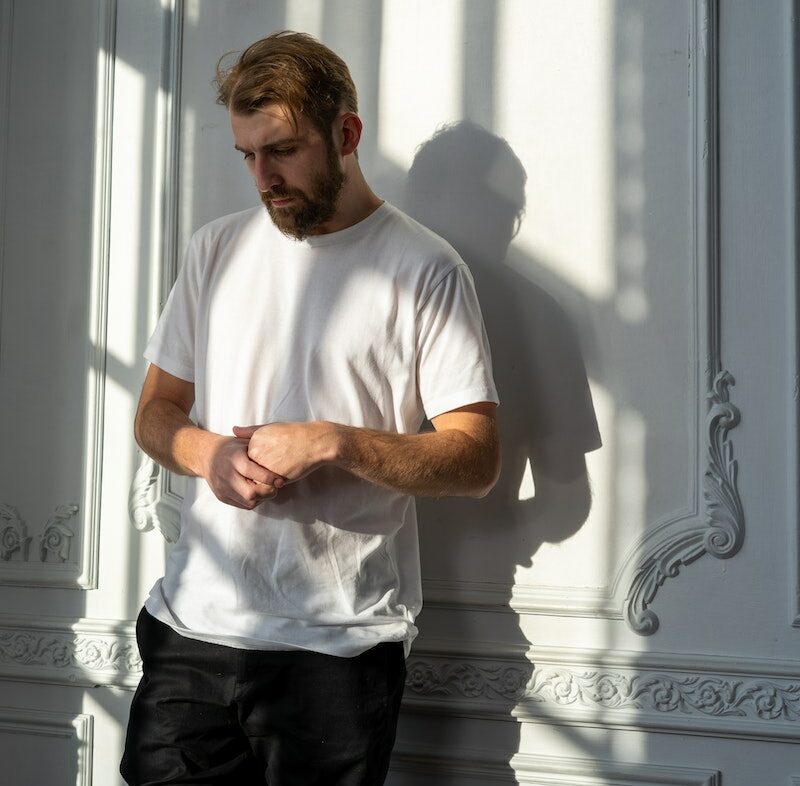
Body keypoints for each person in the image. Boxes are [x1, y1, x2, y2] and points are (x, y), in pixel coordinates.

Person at [121, 30, 500, 786]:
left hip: (338, 653)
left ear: (346, 133)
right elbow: (157, 410)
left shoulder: (426, 268)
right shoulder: (215, 251)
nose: (263, 177)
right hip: (189, 636)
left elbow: (477, 457)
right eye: (247, 155)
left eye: (284, 149)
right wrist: (209, 456)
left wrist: (335, 442)